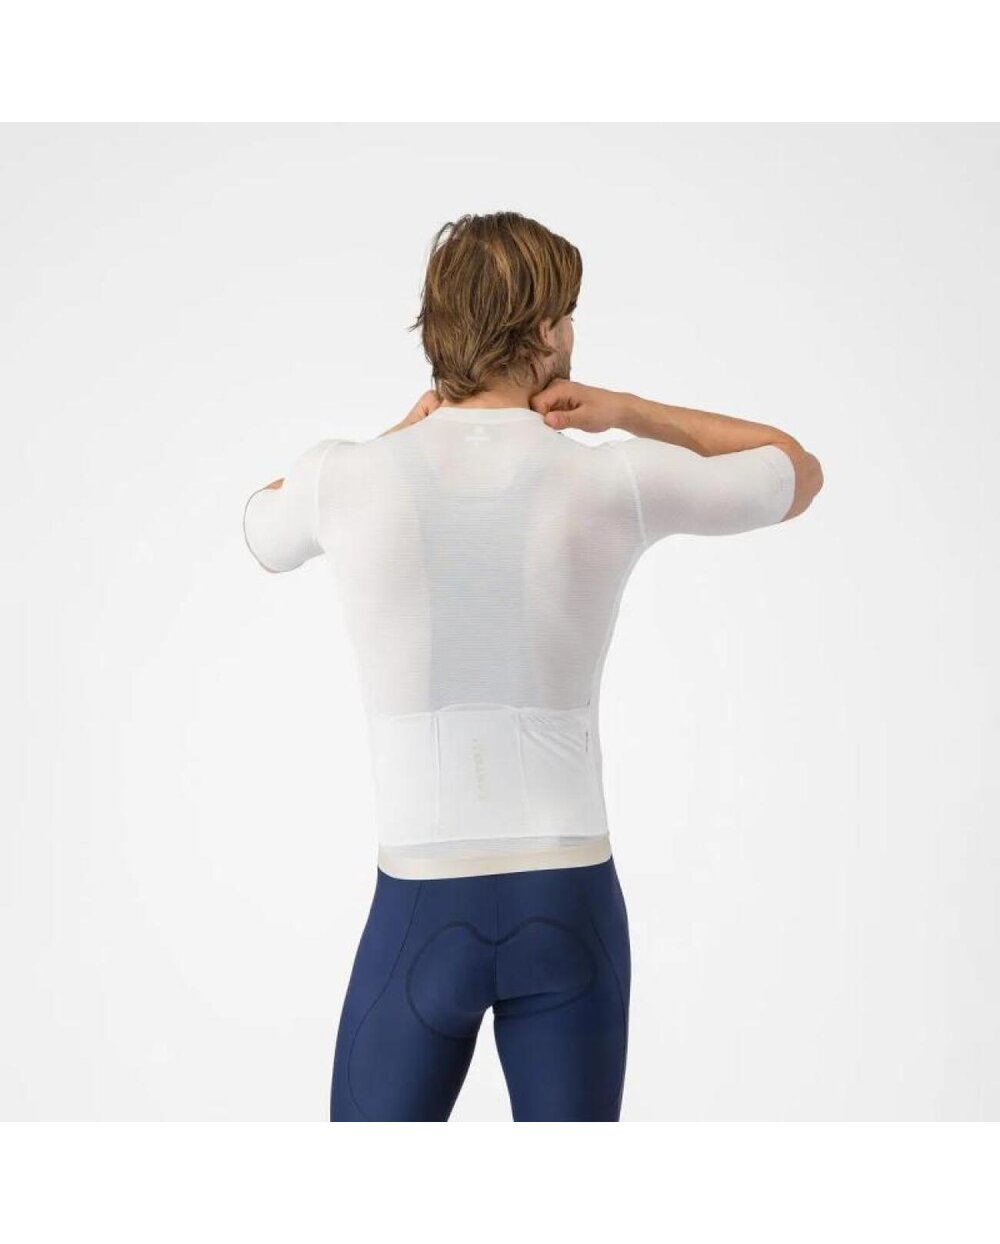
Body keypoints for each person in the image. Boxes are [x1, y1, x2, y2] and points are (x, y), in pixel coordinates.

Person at [242, 212, 824, 1121]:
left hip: (418, 908)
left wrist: (388, 440)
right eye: (570, 316)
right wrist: (627, 411)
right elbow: (796, 469)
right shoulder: (611, 479)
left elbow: (260, 531)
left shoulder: (345, 478)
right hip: (569, 897)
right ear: (547, 331)